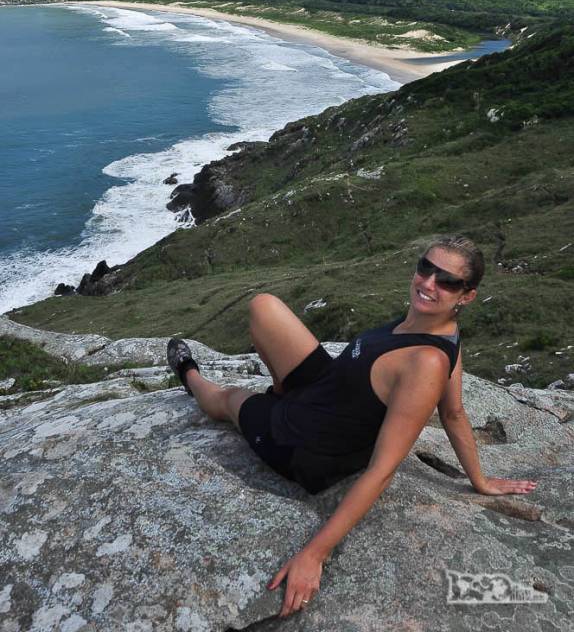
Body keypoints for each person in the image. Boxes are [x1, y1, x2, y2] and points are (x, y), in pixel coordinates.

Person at [166, 233, 538, 618]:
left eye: (446, 281)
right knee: (264, 307)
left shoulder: (427, 363)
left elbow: (382, 469)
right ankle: (279, 391)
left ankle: (189, 375)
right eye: (426, 268)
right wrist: (479, 479)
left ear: (467, 295)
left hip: (307, 444)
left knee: (229, 399)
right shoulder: (438, 327)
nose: (429, 283)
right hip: (325, 389)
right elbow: (455, 414)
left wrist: (315, 554)